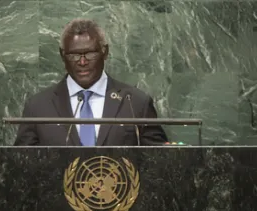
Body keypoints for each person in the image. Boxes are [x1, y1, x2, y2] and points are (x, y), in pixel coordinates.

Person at [14, 18, 168, 146]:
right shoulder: (38, 107)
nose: (82, 62)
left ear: (105, 52)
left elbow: (157, 164)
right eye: (74, 55)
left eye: (89, 53)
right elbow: (22, 166)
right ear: (62, 55)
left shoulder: (136, 103)